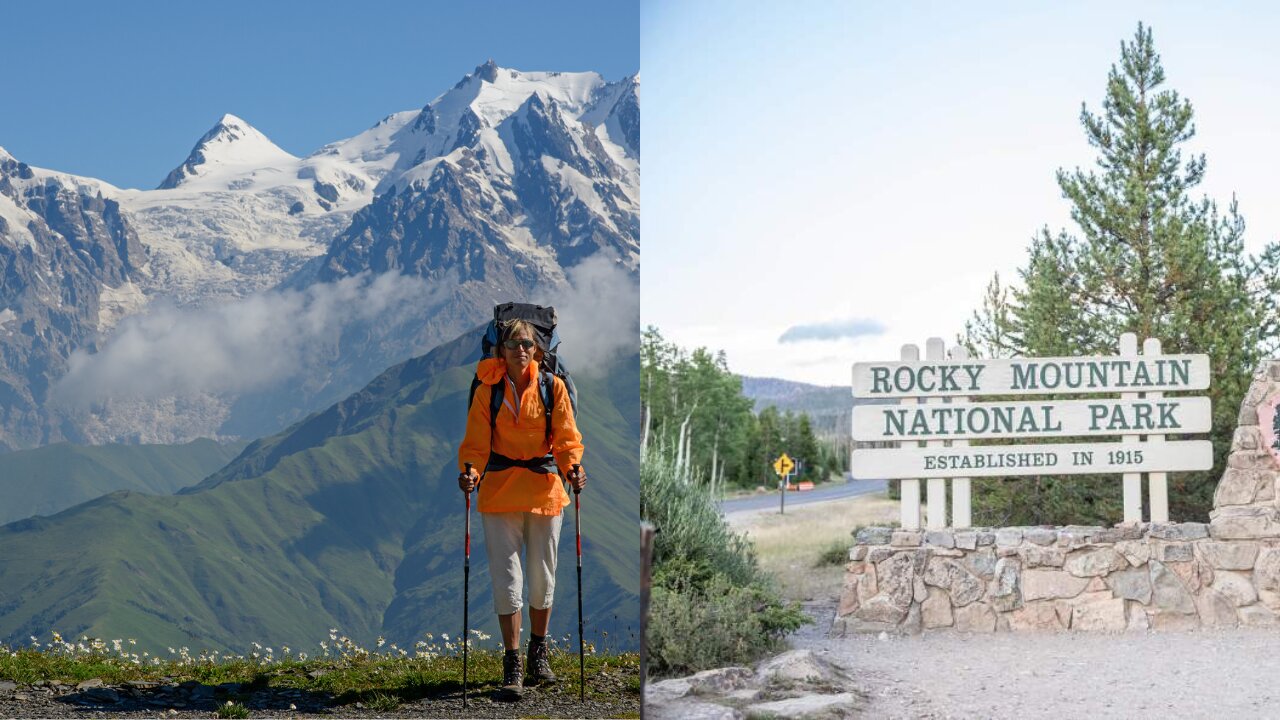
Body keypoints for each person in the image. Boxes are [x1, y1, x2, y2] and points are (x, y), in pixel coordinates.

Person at [458, 319, 586, 699]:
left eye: (527, 343)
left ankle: (538, 654)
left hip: (544, 490)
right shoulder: (488, 391)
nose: (520, 349)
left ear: (538, 349)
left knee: (543, 577)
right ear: (501, 349)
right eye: (513, 343)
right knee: (507, 579)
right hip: (498, 492)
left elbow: (566, 439)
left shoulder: (552, 387)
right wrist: (470, 473)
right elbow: (475, 444)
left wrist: (574, 469)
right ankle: (513, 661)